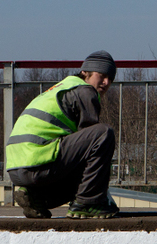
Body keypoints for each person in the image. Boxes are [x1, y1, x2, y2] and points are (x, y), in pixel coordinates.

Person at [6, 50, 119, 219]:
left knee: (84, 172)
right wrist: (100, 193)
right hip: (38, 161)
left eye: (110, 79)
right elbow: (92, 146)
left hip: (17, 167)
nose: (106, 82)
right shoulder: (85, 91)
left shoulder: (61, 88)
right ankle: (88, 204)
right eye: (101, 75)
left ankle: (36, 197)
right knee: (103, 134)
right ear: (85, 73)